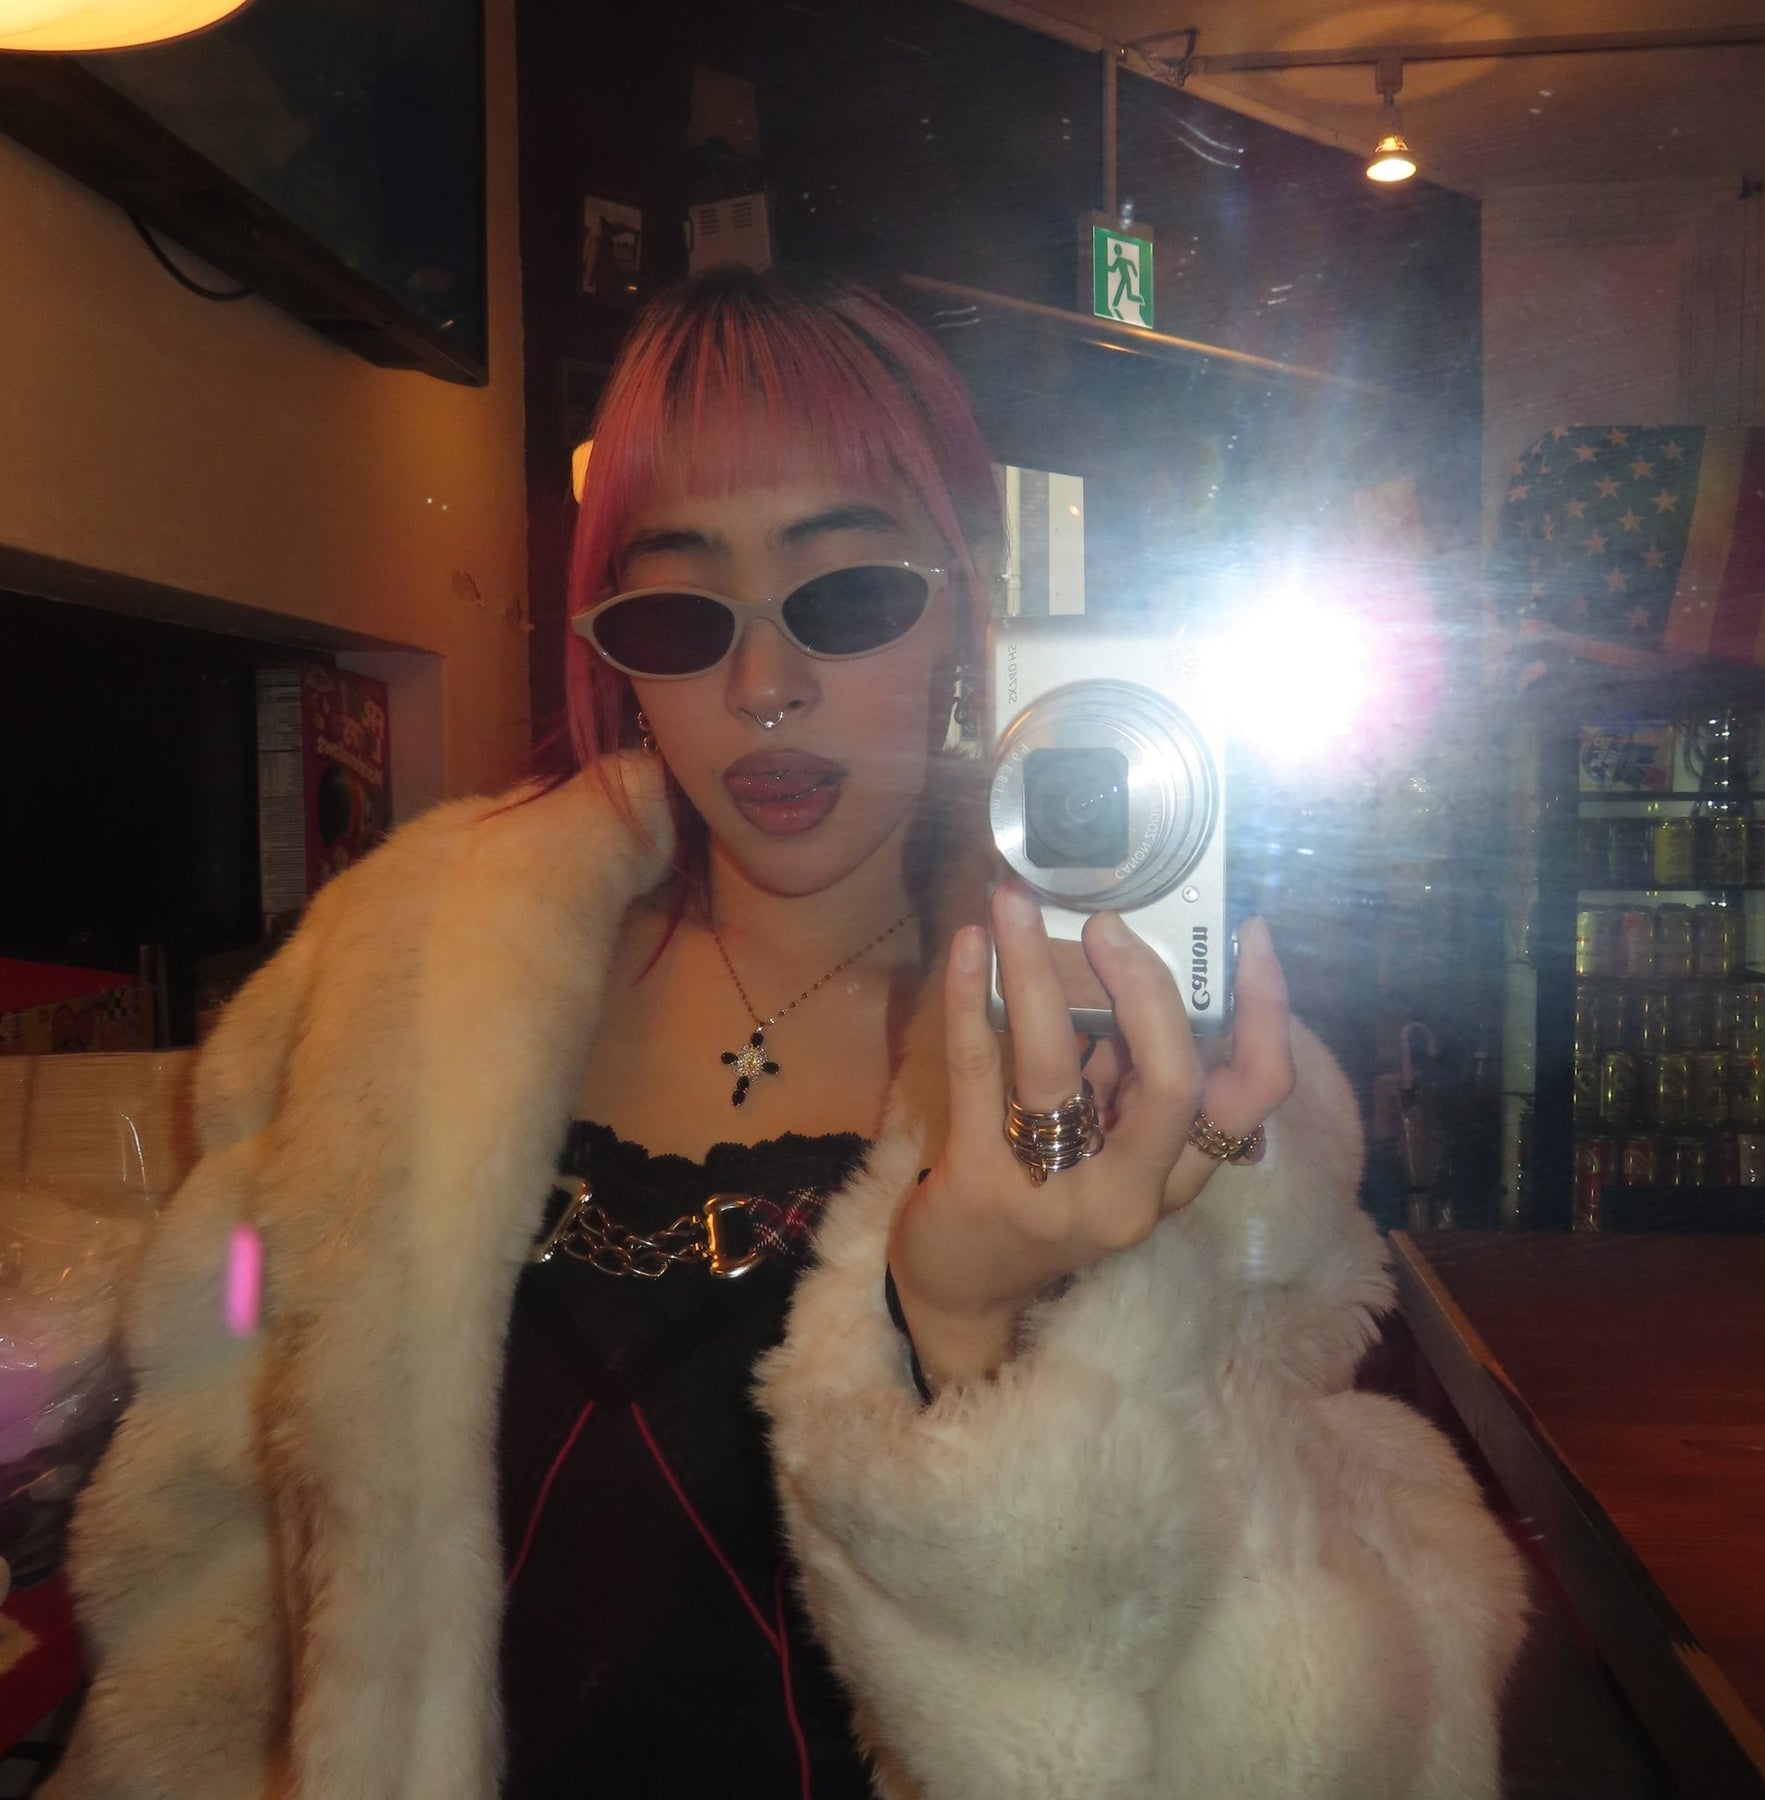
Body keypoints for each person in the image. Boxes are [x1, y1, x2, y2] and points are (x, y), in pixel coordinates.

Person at [47, 266, 1524, 1800]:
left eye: (850, 596)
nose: (763, 687)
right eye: (681, 614)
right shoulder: (387, 987)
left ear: (965, 604)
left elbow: (1297, 1722)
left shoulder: (1172, 1080)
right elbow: (218, 1556)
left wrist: (972, 1344)